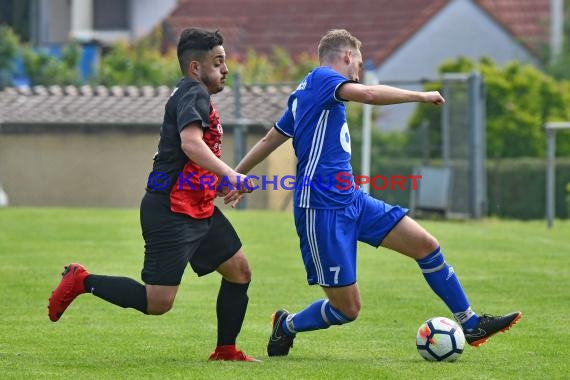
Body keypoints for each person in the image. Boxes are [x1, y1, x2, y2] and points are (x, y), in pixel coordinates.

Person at [226, 29, 521, 357]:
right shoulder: (324, 78)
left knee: (426, 246)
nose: (359, 72)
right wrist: (420, 97)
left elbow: (270, 139)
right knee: (347, 309)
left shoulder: (306, 92)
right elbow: (366, 94)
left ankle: (470, 322)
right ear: (348, 57)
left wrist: (235, 175)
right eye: (359, 64)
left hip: (352, 200)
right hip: (321, 209)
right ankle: (287, 324)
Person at [48, 28, 259, 362]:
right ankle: (81, 280)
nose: (225, 69)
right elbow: (191, 144)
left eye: (225, 62)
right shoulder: (194, 92)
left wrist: (217, 182)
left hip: (196, 205)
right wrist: (230, 174)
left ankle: (226, 350)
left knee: (239, 270)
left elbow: (189, 153)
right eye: (218, 62)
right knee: (158, 302)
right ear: (194, 67)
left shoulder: (191, 93)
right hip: (171, 210)